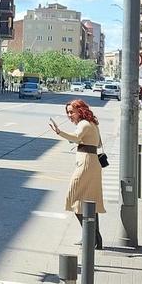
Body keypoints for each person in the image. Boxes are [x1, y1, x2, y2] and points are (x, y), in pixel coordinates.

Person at [49, 99, 105, 249]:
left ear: (80, 110)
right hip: (91, 163)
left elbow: (76, 137)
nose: (69, 115)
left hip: (86, 164)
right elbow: (97, 143)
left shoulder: (84, 124)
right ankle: (94, 238)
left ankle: (91, 237)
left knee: (74, 198)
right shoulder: (91, 123)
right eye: (68, 112)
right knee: (90, 201)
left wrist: (59, 132)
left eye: (71, 112)